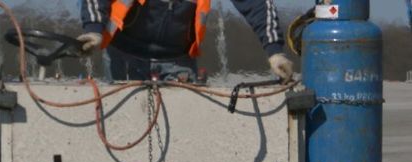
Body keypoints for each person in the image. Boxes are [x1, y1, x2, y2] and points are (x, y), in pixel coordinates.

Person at [78, 0, 294, 83]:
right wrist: (93, 29)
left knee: (181, 142)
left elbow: (256, 4)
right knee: (123, 130)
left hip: (178, 63)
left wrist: (274, 50)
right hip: (123, 57)